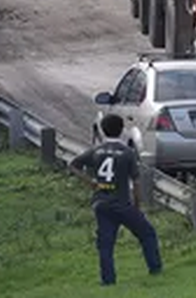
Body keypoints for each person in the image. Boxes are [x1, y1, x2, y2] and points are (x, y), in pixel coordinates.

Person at [70, 113, 163, 286]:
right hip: (121, 202)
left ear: (103, 131)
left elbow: (74, 165)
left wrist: (90, 182)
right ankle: (155, 268)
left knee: (105, 244)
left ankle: (108, 280)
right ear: (121, 130)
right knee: (147, 233)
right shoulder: (127, 153)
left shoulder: (96, 151)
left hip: (101, 202)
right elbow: (135, 182)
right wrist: (137, 204)